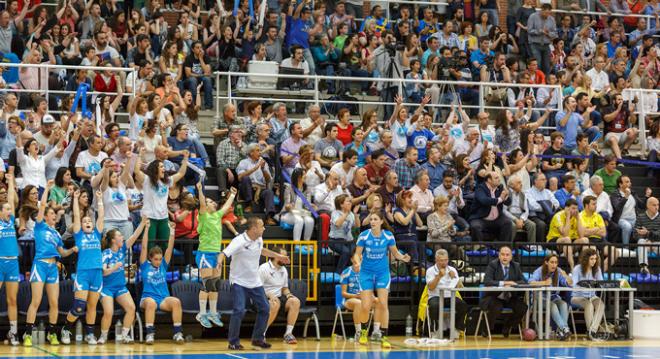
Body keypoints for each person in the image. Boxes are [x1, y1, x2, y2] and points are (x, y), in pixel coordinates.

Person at [217, 218, 290, 350]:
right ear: (254, 228)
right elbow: (224, 253)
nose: (264, 228)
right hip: (238, 281)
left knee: (265, 309)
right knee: (239, 310)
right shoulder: (239, 240)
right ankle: (233, 342)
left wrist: (278, 256)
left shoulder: (259, 239)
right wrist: (219, 262)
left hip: (254, 282)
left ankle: (257, 339)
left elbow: (262, 251)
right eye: (262, 226)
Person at [24, 181, 78, 347]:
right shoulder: (40, 227)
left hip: (53, 268)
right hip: (40, 265)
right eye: (51, 214)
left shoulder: (56, 233)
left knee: (54, 302)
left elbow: (62, 253)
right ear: (45, 216)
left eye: (55, 214)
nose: (54, 215)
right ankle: (27, 334)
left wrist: (73, 250)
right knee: (36, 300)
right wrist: (46, 189)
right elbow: (41, 209)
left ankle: (52, 334)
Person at [354, 212, 410, 348]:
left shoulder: (388, 236)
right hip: (366, 273)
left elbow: (395, 253)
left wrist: (402, 257)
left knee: (383, 304)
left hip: (382, 273)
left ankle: (384, 337)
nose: (372, 221)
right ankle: (363, 334)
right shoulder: (364, 235)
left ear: (381, 221)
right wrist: (357, 263)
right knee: (366, 305)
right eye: (371, 219)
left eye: (375, 219)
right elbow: (357, 254)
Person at [61, 189, 105, 345]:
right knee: (80, 306)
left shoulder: (97, 234)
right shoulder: (79, 234)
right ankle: (66, 329)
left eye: (89, 221)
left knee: (92, 305)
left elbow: (101, 217)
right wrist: (75, 198)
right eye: (85, 221)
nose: (87, 223)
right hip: (83, 273)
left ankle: (90, 334)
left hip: (97, 273)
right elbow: (76, 214)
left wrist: (99, 199)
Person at [99, 218, 149, 344]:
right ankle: (103, 336)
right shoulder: (106, 253)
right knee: (109, 312)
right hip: (107, 288)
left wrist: (142, 223)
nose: (122, 237)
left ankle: (124, 335)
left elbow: (134, 236)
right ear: (113, 240)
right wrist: (114, 267)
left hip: (120, 287)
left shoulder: (122, 250)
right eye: (120, 236)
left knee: (131, 308)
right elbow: (104, 272)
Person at [194, 183, 237, 328]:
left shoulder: (217, 216)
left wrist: (232, 194)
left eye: (213, 201)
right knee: (207, 284)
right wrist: (200, 190)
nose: (214, 203)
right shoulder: (204, 216)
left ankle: (212, 312)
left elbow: (225, 207)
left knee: (215, 285)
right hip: (205, 254)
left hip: (215, 253)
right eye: (210, 202)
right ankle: (201, 313)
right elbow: (201, 203)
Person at [139, 221, 184, 344]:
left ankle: (177, 333)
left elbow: (170, 248)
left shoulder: (163, 265)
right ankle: (149, 334)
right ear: (150, 258)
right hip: (147, 299)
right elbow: (144, 247)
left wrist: (172, 231)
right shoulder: (144, 266)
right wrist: (147, 229)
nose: (158, 261)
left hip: (163, 299)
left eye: (160, 259)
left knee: (176, 302)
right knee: (151, 303)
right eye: (156, 259)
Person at [134, 151, 189, 248]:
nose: (164, 169)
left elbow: (181, 173)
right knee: (149, 245)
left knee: (165, 245)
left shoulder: (167, 182)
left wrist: (185, 159)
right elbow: (137, 171)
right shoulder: (147, 180)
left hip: (163, 218)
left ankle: (164, 263)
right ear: (155, 169)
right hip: (149, 217)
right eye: (161, 167)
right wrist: (139, 156)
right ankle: (147, 263)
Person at [480, 246, 528, 337]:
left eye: (507, 255)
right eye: (502, 254)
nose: (505, 257)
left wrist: (512, 284)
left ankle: (507, 326)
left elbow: (524, 281)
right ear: (499, 255)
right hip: (494, 296)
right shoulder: (493, 265)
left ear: (511, 257)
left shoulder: (515, 266)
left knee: (522, 307)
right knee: (496, 306)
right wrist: (504, 283)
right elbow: (487, 281)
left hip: (509, 297)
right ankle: (486, 329)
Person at [259, 247, 300, 344]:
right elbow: (256, 288)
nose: (286, 258)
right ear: (275, 256)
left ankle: (288, 334)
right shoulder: (263, 268)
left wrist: (289, 295)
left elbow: (284, 288)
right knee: (275, 303)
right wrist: (269, 295)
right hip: (262, 298)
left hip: (279, 298)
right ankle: (260, 334)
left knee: (295, 301)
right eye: (283, 256)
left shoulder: (284, 270)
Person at [529, 254, 573, 340]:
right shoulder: (539, 271)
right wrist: (544, 283)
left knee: (564, 304)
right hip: (540, 298)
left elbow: (570, 284)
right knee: (552, 305)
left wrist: (566, 276)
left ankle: (561, 331)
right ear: (546, 262)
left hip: (554, 296)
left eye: (556, 263)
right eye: (552, 262)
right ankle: (564, 328)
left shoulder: (559, 271)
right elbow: (530, 282)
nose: (554, 265)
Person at [425, 249, 467, 336]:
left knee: (462, 305)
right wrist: (439, 276)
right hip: (435, 296)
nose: (443, 263)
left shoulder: (452, 269)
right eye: (441, 260)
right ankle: (434, 330)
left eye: (445, 260)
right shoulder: (430, 270)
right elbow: (431, 287)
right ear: (436, 260)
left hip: (450, 296)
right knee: (434, 306)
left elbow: (459, 287)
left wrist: (456, 278)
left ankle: (457, 328)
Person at [340, 249, 377, 341]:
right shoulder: (346, 272)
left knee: (379, 302)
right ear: (352, 259)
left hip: (364, 299)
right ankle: (358, 333)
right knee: (358, 303)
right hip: (349, 300)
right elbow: (343, 293)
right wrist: (356, 296)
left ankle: (376, 332)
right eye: (357, 259)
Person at [0, 173, 19, 345]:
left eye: (9, 209)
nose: (9, 210)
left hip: (13, 263)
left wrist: (11, 180)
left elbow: (12, 198)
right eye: (6, 209)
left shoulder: (11, 221)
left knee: (12, 300)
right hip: (0, 262)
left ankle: (13, 333)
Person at [571, 248, 606, 340]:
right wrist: (585, 285)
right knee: (588, 304)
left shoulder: (597, 269)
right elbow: (574, 285)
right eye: (592, 259)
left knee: (601, 304)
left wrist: (598, 284)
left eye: (595, 259)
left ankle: (592, 331)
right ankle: (590, 331)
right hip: (577, 296)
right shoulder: (577, 269)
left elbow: (601, 283)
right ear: (586, 259)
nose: (594, 261)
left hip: (592, 296)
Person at [468, 172, 513, 242]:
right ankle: (479, 249)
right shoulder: (480, 188)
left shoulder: (500, 187)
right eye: (496, 178)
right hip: (481, 218)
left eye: (499, 177)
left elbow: (508, 203)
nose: (499, 180)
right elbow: (484, 200)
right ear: (489, 180)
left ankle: (503, 248)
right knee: (475, 226)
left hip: (497, 218)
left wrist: (506, 196)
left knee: (508, 223)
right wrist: (500, 199)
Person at [547, 199, 589, 270]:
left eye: (576, 209)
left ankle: (580, 267)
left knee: (585, 240)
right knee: (567, 239)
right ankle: (572, 267)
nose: (575, 211)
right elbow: (565, 234)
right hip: (555, 241)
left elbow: (582, 235)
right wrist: (568, 218)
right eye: (573, 208)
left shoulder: (577, 216)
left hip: (569, 242)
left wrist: (578, 219)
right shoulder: (558, 216)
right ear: (566, 208)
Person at [279, 168, 315, 242]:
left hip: (301, 213)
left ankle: (306, 243)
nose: (306, 176)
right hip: (288, 213)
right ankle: (296, 244)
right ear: (299, 177)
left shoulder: (307, 189)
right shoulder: (289, 188)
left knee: (310, 221)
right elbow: (287, 204)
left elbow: (307, 205)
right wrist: (289, 207)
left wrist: (311, 206)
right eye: (304, 174)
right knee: (299, 220)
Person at [611, 175, 646, 245]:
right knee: (627, 227)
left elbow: (642, 206)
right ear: (620, 184)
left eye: (629, 182)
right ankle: (626, 248)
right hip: (622, 219)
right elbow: (617, 208)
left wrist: (647, 197)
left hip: (634, 219)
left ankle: (640, 249)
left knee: (644, 227)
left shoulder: (632, 193)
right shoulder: (615, 194)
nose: (630, 183)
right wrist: (626, 196)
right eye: (627, 182)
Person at [329, 194, 359, 273]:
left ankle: (352, 272)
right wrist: (346, 213)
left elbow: (357, 227)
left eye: (350, 201)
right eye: (348, 201)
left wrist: (355, 215)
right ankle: (339, 272)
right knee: (346, 252)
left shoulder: (351, 214)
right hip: (335, 240)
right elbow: (338, 224)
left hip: (348, 241)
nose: (350, 203)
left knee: (357, 250)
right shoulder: (335, 213)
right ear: (341, 204)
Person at [504, 176, 536, 243]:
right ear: (512, 185)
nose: (521, 184)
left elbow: (526, 210)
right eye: (518, 183)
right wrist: (515, 219)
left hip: (520, 215)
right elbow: (504, 210)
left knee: (532, 225)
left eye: (521, 182)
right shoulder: (506, 193)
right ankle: (509, 247)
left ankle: (531, 247)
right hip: (509, 215)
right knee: (512, 225)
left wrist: (521, 219)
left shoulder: (523, 194)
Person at [636, 197, 660, 275]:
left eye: (658, 205)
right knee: (641, 241)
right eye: (654, 205)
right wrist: (647, 240)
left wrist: (648, 234)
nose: (657, 207)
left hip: (657, 244)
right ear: (648, 206)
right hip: (645, 243)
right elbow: (635, 234)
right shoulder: (640, 217)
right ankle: (644, 268)